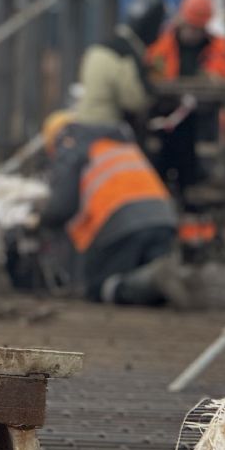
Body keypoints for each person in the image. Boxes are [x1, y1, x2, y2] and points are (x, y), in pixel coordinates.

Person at [36, 110, 194, 307]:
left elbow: (61, 208)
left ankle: (152, 280)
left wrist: (40, 221)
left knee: (98, 287)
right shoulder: (118, 141)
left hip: (121, 224)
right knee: (151, 290)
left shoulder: (72, 147)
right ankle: (174, 279)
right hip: (163, 219)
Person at [145, 0, 225, 196]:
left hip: (199, 118)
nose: (193, 33)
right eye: (190, 27)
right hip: (165, 116)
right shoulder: (163, 44)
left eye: (197, 28)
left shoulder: (217, 47)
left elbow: (220, 76)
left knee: (194, 174)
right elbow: (152, 71)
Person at [71, 0, 161, 134]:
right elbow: (135, 101)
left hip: (83, 124)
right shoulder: (125, 57)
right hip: (106, 131)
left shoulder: (96, 50)